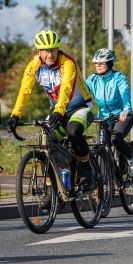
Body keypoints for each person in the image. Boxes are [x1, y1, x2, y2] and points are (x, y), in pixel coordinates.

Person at [6, 30, 95, 210]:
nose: (50, 54)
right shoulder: (34, 65)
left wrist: (59, 112)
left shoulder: (68, 63)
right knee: (46, 142)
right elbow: (25, 90)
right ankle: (53, 189)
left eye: (53, 50)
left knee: (73, 131)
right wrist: (15, 115)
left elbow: (66, 90)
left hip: (81, 107)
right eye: (45, 50)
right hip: (58, 110)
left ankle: (86, 168)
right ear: (38, 51)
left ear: (58, 49)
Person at [85, 48, 133, 177]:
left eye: (101, 63)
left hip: (122, 116)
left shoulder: (118, 78)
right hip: (104, 118)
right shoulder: (92, 80)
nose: (97, 65)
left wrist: (126, 109)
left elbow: (125, 93)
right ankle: (105, 177)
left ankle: (132, 160)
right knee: (101, 145)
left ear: (109, 64)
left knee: (115, 139)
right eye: (96, 63)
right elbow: (83, 94)